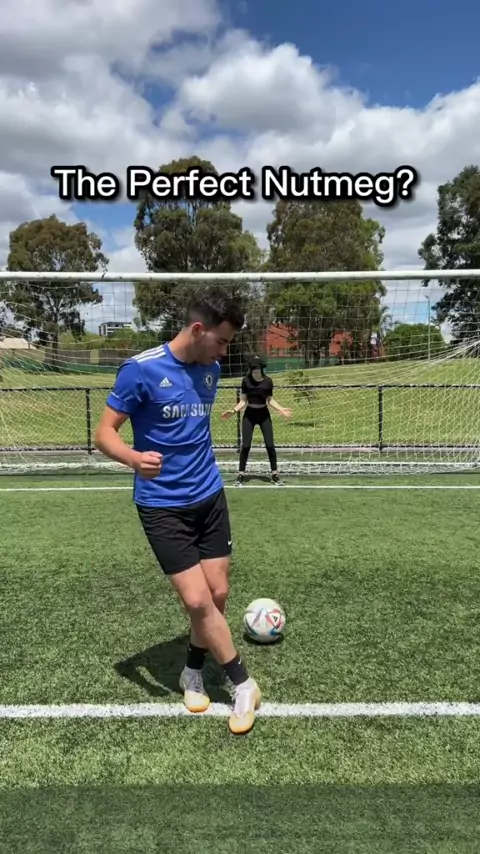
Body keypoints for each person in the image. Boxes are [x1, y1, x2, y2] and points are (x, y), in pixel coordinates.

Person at [94, 287, 261, 736]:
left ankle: (192, 671)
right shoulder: (140, 370)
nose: (225, 352)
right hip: (162, 505)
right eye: (222, 341)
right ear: (198, 329)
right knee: (196, 601)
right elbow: (103, 433)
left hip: (209, 495)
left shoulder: (211, 370)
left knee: (217, 595)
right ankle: (243, 684)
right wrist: (133, 458)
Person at [222, 355, 292, 486]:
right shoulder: (246, 381)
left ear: (261, 369)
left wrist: (281, 409)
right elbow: (243, 401)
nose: (255, 372)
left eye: (257, 369)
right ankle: (241, 475)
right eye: (253, 369)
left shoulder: (268, 381)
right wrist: (233, 411)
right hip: (250, 414)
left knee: (270, 445)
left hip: (263, 414)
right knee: (246, 445)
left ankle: (275, 474)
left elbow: (270, 400)